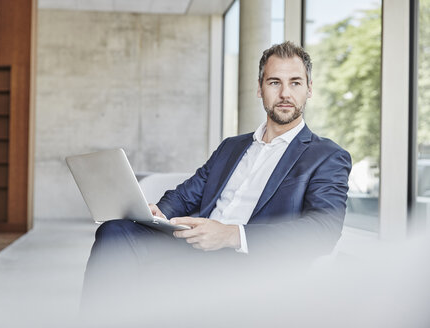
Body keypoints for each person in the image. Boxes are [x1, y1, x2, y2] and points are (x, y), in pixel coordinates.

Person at [82, 42, 352, 306]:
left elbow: (323, 230)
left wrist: (232, 235)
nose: (285, 93)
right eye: (274, 83)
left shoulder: (326, 156)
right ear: (260, 89)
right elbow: (186, 194)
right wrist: (159, 214)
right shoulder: (232, 147)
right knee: (114, 231)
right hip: (194, 247)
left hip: (249, 261)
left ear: (309, 89)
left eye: (295, 83)